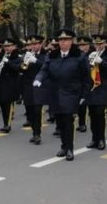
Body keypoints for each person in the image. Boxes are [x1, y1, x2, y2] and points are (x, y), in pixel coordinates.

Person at [34, 29, 91, 161]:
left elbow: (86, 77)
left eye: (66, 40)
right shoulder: (52, 55)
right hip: (55, 92)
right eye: (61, 40)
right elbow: (45, 69)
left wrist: (84, 95)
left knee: (68, 120)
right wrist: (38, 78)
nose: (63, 42)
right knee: (59, 121)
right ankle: (64, 146)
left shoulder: (79, 56)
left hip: (71, 92)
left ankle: (69, 148)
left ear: (71, 41)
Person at [83, 34, 107, 150]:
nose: (98, 45)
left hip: (103, 87)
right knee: (92, 114)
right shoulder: (90, 53)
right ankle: (94, 139)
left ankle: (101, 139)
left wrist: (102, 62)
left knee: (100, 113)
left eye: (100, 43)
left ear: (105, 43)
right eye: (96, 43)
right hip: (91, 87)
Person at [20, 35, 49, 144]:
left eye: (36, 44)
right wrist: (24, 61)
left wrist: (35, 60)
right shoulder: (27, 54)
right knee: (30, 111)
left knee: (37, 110)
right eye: (32, 44)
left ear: (41, 44)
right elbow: (21, 68)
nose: (33, 46)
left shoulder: (46, 55)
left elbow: (46, 67)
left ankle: (37, 134)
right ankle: (34, 132)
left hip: (39, 86)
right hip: (28, 86)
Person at [0, 38, 21, 133]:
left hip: (11, 84)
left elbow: (17, 68)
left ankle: (7, 124)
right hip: (1, 83)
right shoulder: (0, 56)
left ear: (14, 46)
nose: (7, 48)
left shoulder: (17, 57)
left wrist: (8, 62)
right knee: (2, 104)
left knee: (8, 105)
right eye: (5, 46)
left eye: (9, 46)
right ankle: (5, 123)